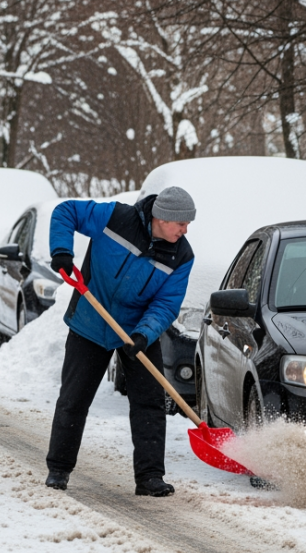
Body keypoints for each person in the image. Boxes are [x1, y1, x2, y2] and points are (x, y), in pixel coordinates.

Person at [44, 186, 196, 496]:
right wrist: (62, 250)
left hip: (137, 328)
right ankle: (58, 470)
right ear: (162, 217)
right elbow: (66, 211)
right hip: (90, 320)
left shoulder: (181, 255)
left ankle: (150, 477)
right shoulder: (116, 217)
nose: (185, 230)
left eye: (187, 224)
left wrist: (144, 334)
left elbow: (167, 303)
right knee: (75, 398)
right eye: (181, 223)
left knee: (150, 401)